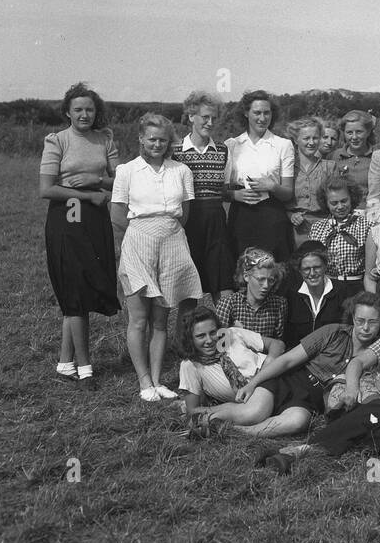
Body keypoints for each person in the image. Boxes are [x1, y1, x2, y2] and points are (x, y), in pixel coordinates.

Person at [256, 301, 380, 475]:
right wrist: (351, 389)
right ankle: (298, 452)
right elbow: (357, 363)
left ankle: (291, 455)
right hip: (361, 395)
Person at [110, 111, 203, 402]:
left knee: (162, 318)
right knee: (139, 318)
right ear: (140, 138)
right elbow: (116, 214)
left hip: (173, 242)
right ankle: (144, 381)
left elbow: (185, 213)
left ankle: (159, 379)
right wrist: (145, 235)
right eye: (152, 139)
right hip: (138, 241)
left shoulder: (181, 171)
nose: (157, 144)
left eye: (163, 140)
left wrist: (166, 234)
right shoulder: (126, 171)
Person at [39, 81, 120, 389]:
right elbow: (46, 189)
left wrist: (96, 179)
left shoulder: (104, 139)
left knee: (82, 289)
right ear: (68, 113)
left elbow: (119, 179)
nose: (84, 114)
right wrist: (87, 193)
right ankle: (85, 369)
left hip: (96, 217)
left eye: (89, 109)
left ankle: (64, 362)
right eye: (78, 109)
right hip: (69, 211)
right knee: (75, 290)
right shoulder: (57, 140)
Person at [232, 291, 380, 423]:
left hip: (314, 400)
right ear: (353, 318)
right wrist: (252, 383)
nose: (365, 328)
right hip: (293, 379)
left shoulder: (379, 351)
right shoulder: (333, 332)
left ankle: (242, 431)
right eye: (360, 321)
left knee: (297, 421)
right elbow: (288, 360)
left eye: (372, 322)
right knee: (253, 413)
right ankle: (208, 414)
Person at [176, 305, 317, 439]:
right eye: (201, 336)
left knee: (255, 412)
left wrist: (269, 363)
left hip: (278, 376)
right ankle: (241, 431)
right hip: (256, 401)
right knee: (298, 421)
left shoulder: (232, 334)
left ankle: (225, 425)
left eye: (213, 333)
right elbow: (193, 410)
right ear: (190, 339)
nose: (209, 340)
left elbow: (277, 344)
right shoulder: (191, 366)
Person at [172, 89, 233, 299]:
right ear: (191, 116)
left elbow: (224, 191)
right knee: (189, 296)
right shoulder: (175, 151)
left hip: (216, 224)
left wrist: (238, 195)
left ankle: (227, 331)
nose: (209, 122)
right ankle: (185, 333)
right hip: (188, 222)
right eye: (205, 117)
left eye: (213, 118)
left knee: (223, 289)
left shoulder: (223, 151)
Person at [225, 90, 295, 263]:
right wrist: (234, 195)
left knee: (274, 268)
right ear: (246, 113)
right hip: (241, 216)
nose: (262, 118)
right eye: (257, 113)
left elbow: (288, 193)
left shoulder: (283, 145)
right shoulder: (231, 145)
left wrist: (272, 186)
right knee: (242, 268)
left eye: (267, 113)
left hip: (272, 215)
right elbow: (221, 190)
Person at [213, 248, 288, 360]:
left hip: (264, 363)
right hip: (233, 361)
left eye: (270, 280)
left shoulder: (279, 304)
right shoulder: (228, 303)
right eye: (260, 279)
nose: (266, 285)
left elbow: (279, 342)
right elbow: (219, 346)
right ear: (246, 276)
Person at [307, 178, 369, 295]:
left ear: (352, 198)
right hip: (327, 287)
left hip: (356, 287)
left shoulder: (366, 225)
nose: (340, 207)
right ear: (326, 203)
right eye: (334, 203)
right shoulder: (317, 228)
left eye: (344, 201)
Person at [283, 241, 346, 347]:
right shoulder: (291, 296)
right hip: (300, 358)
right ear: (299, 270)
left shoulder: (342, 291)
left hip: (333, 355)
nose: (312, 273)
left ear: (325, 266)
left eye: (317, 267)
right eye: (306, 269)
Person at [288, 116, 333, 244]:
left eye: (315, 138)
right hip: (294, 229)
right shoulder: (287, 167)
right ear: (296, 140)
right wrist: (290, 215)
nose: (312, 142)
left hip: (325, 228)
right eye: (306, 138)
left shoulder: (329, 167)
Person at [331, 110, 375, 208]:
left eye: (359, 132)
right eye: (349, 133)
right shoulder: (334, 156)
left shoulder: (377, 156)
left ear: (368, 132)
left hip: (370, 212)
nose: (354, 137)